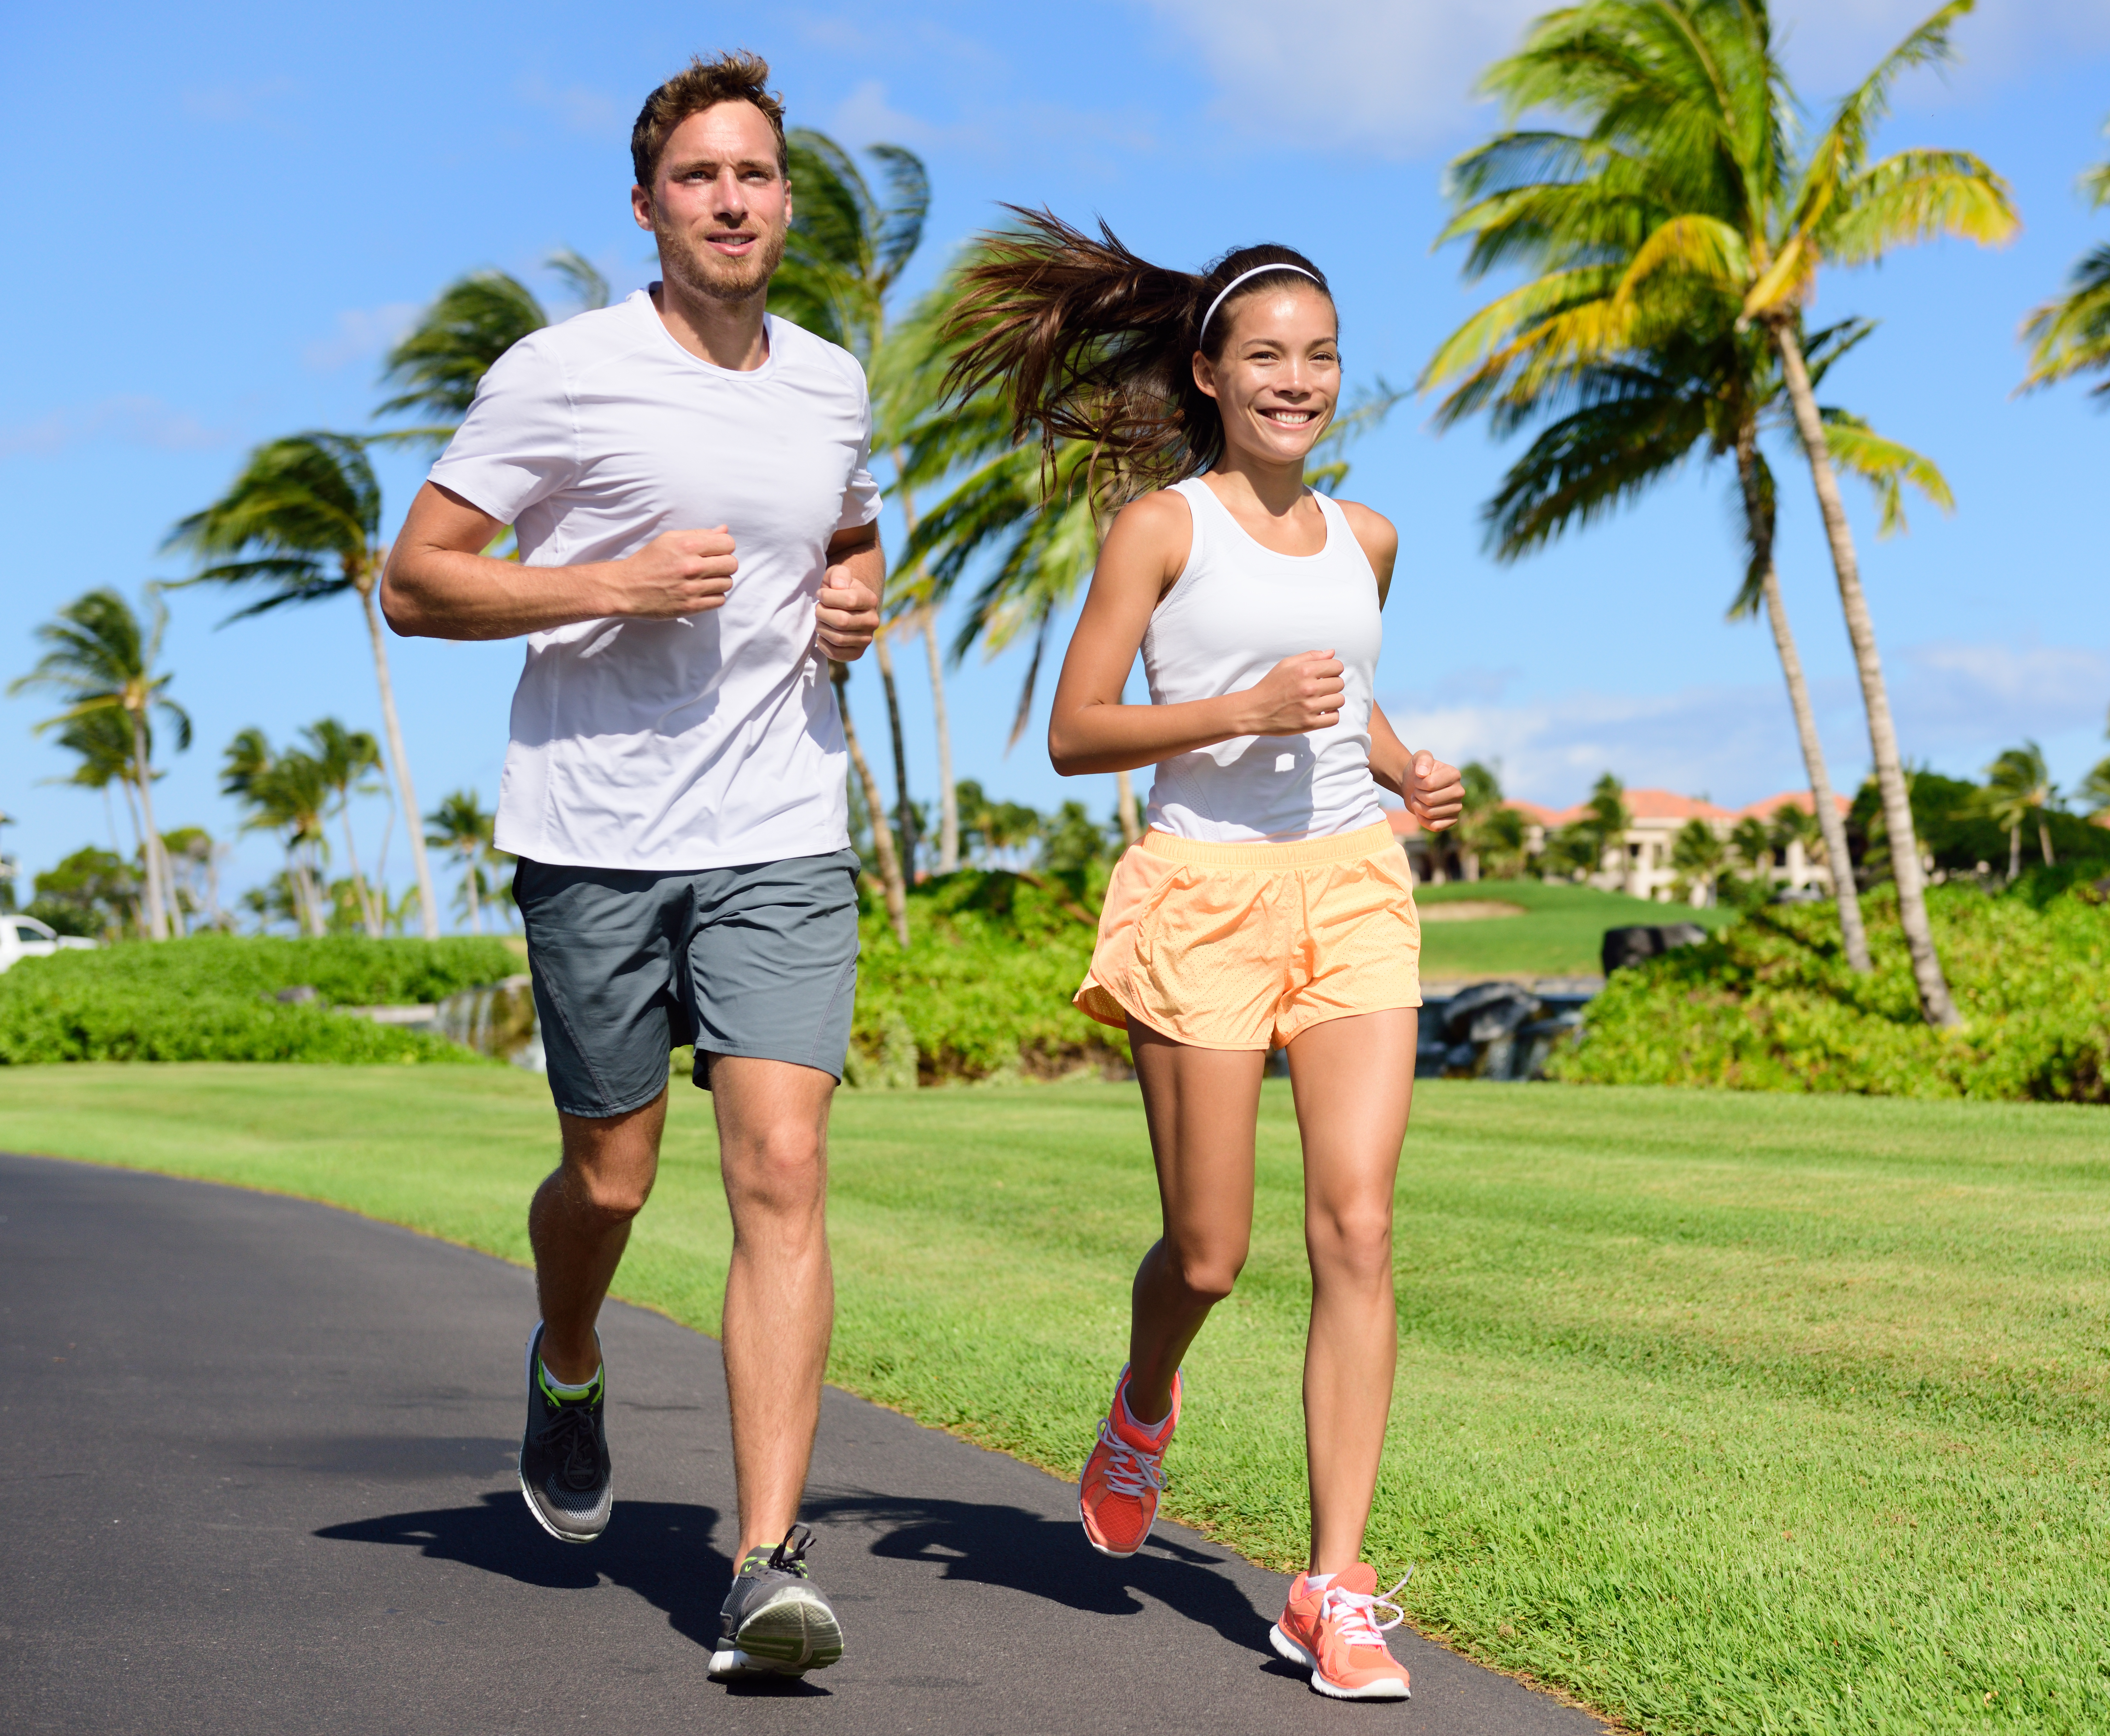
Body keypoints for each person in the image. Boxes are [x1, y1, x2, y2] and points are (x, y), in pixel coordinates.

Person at [382, 52, 878, 1682]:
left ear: (784, 200)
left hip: (782, 830)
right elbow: (418, 582)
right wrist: (608, 583)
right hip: (595, 834)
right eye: (698, 179)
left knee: (782, 1171)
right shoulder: (561, 374)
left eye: (755, 175)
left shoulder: (828, 381)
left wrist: (854, 602)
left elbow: (844, 527)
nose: (732, 201)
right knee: (611, 1178)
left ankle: (765, 1562)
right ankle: (572, 1353)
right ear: (649, 208)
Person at [944, 212, 1465, 1703]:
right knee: (1212, 1250)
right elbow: (1074, 730)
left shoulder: (1367, 536)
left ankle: (1335, 1586)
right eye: (1267, 357)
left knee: (1358, 1227)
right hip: (1203, 898)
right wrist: (1237, 709)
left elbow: (1346, 692)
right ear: (1211, 375)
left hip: (1353, 887)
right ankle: (1143, 1398)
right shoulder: (1162, 527)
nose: (1297, 380)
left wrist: (1402, 766)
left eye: (1320, 357)